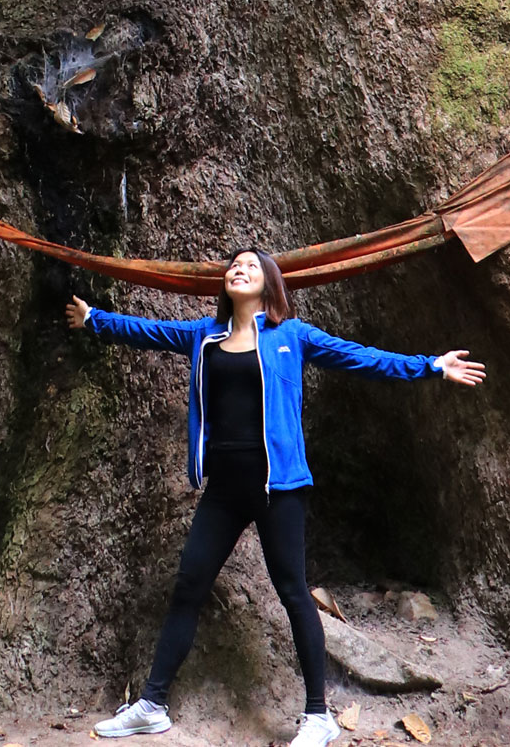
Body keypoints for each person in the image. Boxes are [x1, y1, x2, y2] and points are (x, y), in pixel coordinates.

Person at [66, 248, 485, 747]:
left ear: (269, 283)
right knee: (189, 586)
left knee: (293, 592)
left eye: (250, 265)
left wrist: (431, 366)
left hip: (278, 488)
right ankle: (152, 706)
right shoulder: (204, 335)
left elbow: (362, 357)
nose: (238, 269)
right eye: (233, 265)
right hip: (224, 490)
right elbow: (149, 331)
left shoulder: (292, 336)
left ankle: (318, 716)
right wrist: (95, 319)